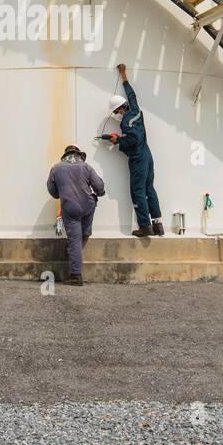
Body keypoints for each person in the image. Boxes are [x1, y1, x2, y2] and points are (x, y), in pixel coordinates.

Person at [106, 63, 164, 237]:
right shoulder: (136, 108)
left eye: (116, 111)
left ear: (121, 108)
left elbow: (133, 139)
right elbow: (131, 94)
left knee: (137, 190)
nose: (116, 114)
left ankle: (145, 226)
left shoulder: (126, 120)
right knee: (149, 188)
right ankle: (158, 224)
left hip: (138, 157)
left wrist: (117, 141)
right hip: (147, 155)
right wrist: (124, 76)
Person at [46, 144, 105, 286]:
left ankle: (76, 275)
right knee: (83, 235)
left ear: (65, 155)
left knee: (74, 240)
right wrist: (99, 192)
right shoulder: (86, 167)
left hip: (70, 208)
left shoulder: (56, 168)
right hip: (88, 205)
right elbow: (99, 187)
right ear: (78, 154)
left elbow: (53, 192)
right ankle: (78, 246)